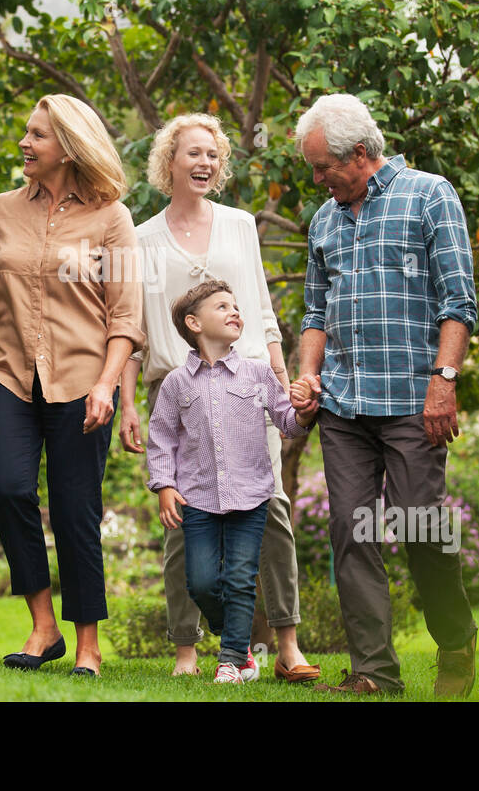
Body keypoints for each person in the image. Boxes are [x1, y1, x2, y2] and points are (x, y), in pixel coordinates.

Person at [288, 93, 479, 697]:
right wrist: (309, 374)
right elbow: (315, 312)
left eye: (323, 168)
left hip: (412, 401)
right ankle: (374, 672)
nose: (317, 180)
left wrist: (443, 383)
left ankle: (455, 639)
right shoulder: (325, 219)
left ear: (362, 155)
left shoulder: (430, 196)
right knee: (351, 529)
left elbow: (459, 302)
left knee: (419, 525)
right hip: (344, 404)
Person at [120, 113, 320, 682]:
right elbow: (133, 332)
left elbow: (261, 312)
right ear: (170, 162)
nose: (204, 163)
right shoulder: (141, 238)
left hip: (247, 385)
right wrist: (129, 403)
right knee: (184, 517)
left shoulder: (239, 225)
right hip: (175, 389)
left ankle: (286, 643)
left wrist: (284, 386)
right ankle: (187, 648)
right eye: (193, 153)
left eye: (213, 154)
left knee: (272, 510)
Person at [0, 94, 144, 677]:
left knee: (75, 507)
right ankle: (43, 625)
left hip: (84, 379)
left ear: (68, 145)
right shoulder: (0, 211)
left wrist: (108, 385)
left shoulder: (111, 218)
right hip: (4, 372)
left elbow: (125, 317)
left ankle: (87, 642)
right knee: (8, 487)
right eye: (26, 133)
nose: (24, 144)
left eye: (36, 136)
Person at [147, 279, 319, 684]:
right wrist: (164, 485)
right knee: (203, 582)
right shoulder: (176, 383)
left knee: (240, 578)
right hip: (198, 500)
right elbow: (161, 439)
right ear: (194, 323)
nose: (234, 312)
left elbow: (287, 423)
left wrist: (305, 412)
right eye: (222, 307)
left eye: (236, 306)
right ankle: (240, 645)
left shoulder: (258, 374)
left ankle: (231, 661)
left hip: (251, 496)